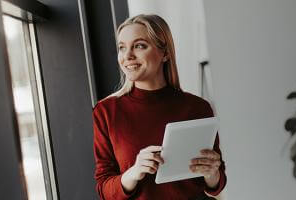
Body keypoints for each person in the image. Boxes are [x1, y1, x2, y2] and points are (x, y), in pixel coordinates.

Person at [92, 14, 227, 200]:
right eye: (122, 48)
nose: (127, 56)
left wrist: (212, 173)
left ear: (165, 53)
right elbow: (104, 189)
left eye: (139, 46)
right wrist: (134, 172)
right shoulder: (106, 111)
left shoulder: (197, 107)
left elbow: (216, 185)